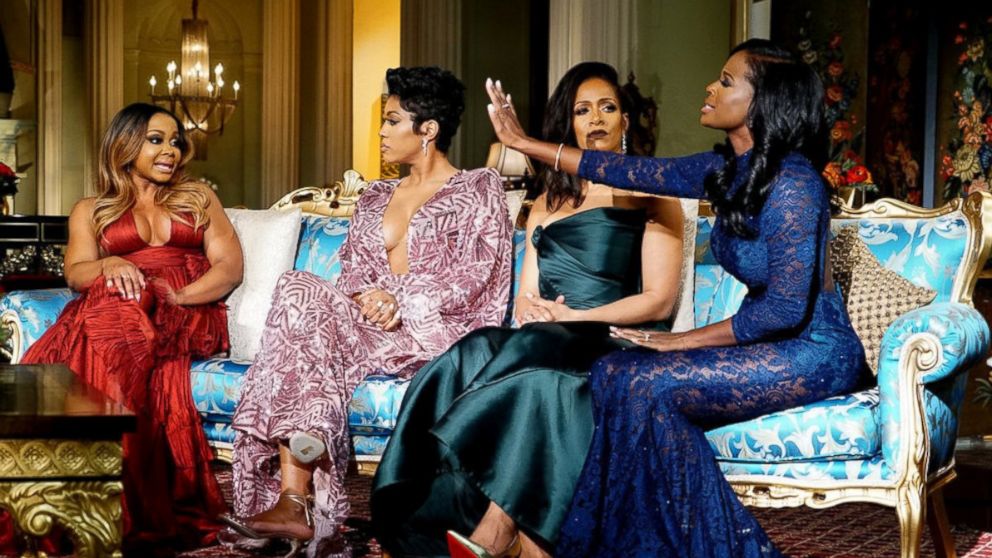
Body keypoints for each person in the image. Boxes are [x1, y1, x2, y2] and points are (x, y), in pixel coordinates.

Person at [483, 39, 866, 557]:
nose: (710, 88)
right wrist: (525, 143)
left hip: (813, 351)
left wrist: (682, 341)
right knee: (613, 373)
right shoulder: (726, 169)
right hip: (769, 344)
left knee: (642, 384)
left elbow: (784, 310)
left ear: (762, 101)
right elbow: (621, 171)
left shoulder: (795, 184)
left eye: (726, 82)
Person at [371, 62, 685, 558]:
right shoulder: (547, 201)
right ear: (570, 123)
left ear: (625, 121)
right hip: (550, 335)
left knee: (537, 372)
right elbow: (527, 294)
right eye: (582, 110)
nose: (595, 119)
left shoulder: (650, 194)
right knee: (472, 350)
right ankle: (427, 515)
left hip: (616, 339)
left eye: (607, 108)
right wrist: (531, 307)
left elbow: (659, 301)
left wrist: (572, 319)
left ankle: (500, 532)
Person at [220, 66, 513, 557]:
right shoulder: (376, 196)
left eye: (392, 121)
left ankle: (297, 499)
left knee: (304, 332)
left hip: (436, 329)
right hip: (369, 326)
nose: (380, 132)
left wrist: (401, 300)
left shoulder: (478, 189)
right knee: (298, 289)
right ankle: (294, 497)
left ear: (428, 129)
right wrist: (368, 298)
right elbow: (354, 269)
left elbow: (479, 276)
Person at [19, 102, 244, 553]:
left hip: (187, 309)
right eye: (156, 140)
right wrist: (111, 263)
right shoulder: (91, 209)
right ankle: (110, 493)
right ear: (124, 146)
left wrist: (178, 296)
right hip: (124, 312)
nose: (170, 151)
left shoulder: (198, 197)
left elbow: (229, 266)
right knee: (116, 304)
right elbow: (76, 273)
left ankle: (101, 496)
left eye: (175, 141)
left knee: (109, 316)